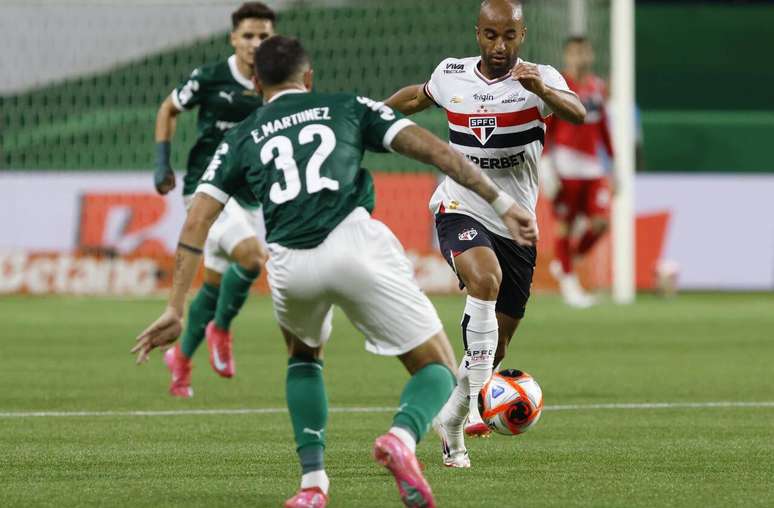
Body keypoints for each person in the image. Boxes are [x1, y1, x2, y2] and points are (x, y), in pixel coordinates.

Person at [133, 36, 537, 508]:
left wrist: (176, 307)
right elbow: (434, 151)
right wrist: (501, 202)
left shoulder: (240, 136)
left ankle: (312, 485)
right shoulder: (346, 106)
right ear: (309, 78)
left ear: (257, 82)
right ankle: (402, 439)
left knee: (304, 358)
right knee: (438, 369)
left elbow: (197, 219)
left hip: (288, 261)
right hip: (353, 244)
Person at [384, 0, 586, 467]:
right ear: (478, 33)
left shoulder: (541, 78)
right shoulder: (452, 74)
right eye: (491, 35)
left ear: (523, 34)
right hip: (460, 205)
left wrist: (544, 91)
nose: (500, 46)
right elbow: (415, 98)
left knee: (496, 344)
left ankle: (452, 420)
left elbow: (577, 113)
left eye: (509, 36)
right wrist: (367, 119)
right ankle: (477, 402)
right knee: (484, 281)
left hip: (516, 222)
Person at [152, 2, 276, 396]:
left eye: (264, 36)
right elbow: (168, 109)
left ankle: (181, 360)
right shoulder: (209, 78)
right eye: (249, 36)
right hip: (207, 190)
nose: (256, 43)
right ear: (233, 39)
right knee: (253, 257)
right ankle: (221, 330)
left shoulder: (278, 81)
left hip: (251, 195)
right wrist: (162, 163)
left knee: (214, 284)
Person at [544, 36, 614, 308]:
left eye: (584, 52)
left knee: (601, 223)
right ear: (567, 56)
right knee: (565, 226)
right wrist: (546, 166)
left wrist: (615, 164)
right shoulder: (558, 85)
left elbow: (604, 127)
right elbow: (546, 125)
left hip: (594, 167)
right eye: (574, 53)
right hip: (564, 165)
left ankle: (566, 264)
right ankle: (570, 288)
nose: (580, 58)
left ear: (591, 54)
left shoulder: (597, 87)